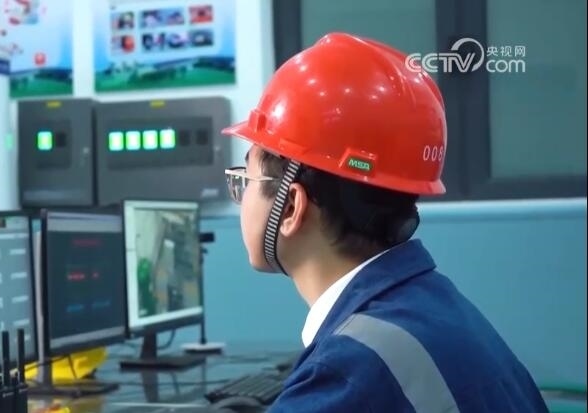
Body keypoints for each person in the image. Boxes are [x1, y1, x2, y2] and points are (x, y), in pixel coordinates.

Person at [222, 32, 548, 412]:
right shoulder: (436, 305)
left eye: (246, 179)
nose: (242, 195)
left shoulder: (346, 374)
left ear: (291, 206)